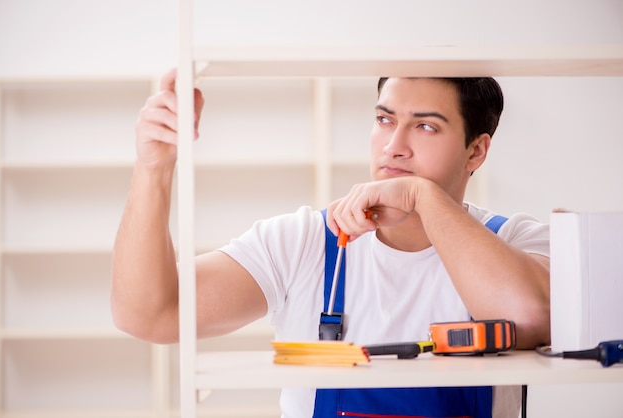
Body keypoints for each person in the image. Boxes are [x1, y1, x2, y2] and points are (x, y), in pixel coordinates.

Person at [111, 70, 550, 418]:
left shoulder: (516, 242)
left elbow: (533, 318)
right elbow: (150, 314)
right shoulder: (302, 242)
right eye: (384, 120)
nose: (394, 147)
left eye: (426, 128)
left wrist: (423, 196)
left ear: (476, 152)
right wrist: (153, 170)